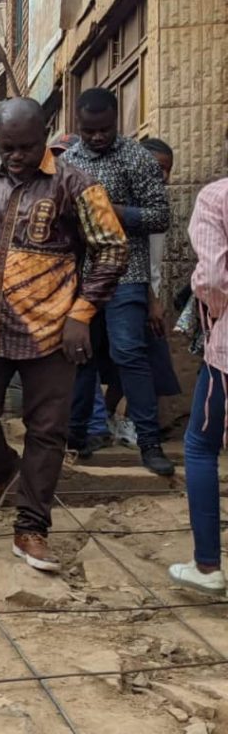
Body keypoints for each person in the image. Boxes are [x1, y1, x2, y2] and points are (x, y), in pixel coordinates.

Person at [0, 98, 128, 572]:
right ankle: (0, 468)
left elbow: (112, 250)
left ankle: (31, 527)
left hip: (49, 329)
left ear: (46, 134)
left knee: (48, 431)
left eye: (26, 147)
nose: (15, 156)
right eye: (6, 147)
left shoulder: (76, 183)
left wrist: (83, 312)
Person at [64, 88, 175, 476]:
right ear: (77, 124)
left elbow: (161, 216)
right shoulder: (68, 161)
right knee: (80, 357)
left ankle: (149, 443)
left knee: (130, 353)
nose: (96, 137)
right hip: (82, 277)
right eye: (88, 130)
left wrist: (113, 212)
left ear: (117, 121)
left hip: (127, 273)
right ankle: (76, 437)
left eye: (104, 129)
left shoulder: (137, 158)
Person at [168, 174, 228, 596]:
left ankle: (207, 565)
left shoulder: (217, 197)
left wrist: (217, 317)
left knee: (202, 445)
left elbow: (211, 281)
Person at [102, 137, 182, 444]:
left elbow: (155, 261)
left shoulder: (156, 206)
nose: (161, 176)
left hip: (149, 293)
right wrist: (152, 301)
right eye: (155, 168)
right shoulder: (126, 207)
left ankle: (119, 418)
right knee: (133, 359)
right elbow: (139, 261)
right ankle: (122, 420)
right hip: (131, 293)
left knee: (138, 359)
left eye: (166, 170)